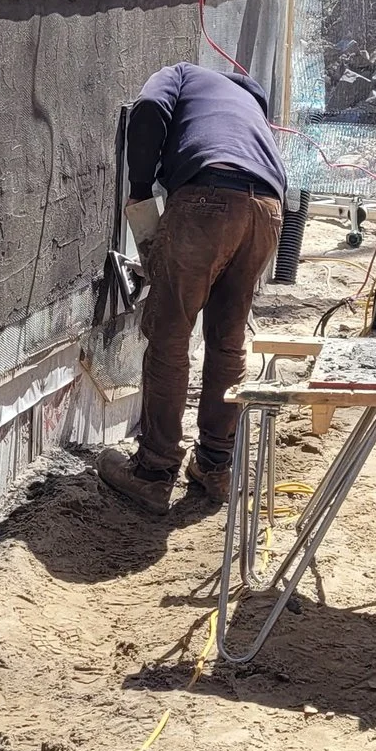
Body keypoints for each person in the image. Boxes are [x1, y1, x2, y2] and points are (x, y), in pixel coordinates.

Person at [95, 62, 287, 514]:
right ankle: (217, 466)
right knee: (228, 339)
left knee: (169, 334)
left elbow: (147, 109)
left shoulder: (181, 74)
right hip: (267, 210)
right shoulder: (252, 112)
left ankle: (153, 471)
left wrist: (141, 188)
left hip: (207, 196)